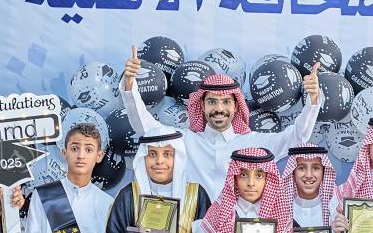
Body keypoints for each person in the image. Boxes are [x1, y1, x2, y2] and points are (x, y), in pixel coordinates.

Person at [120, 45, 321, 198]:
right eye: (212, 102)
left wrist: (312, 100)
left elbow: (296, 138)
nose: (219, 108)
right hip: (191, 231)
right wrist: (130, 85)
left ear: (236, 106)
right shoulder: (185, 141)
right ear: (202, 106)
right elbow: (146, 127)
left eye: (226, 102)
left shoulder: (253, 144)